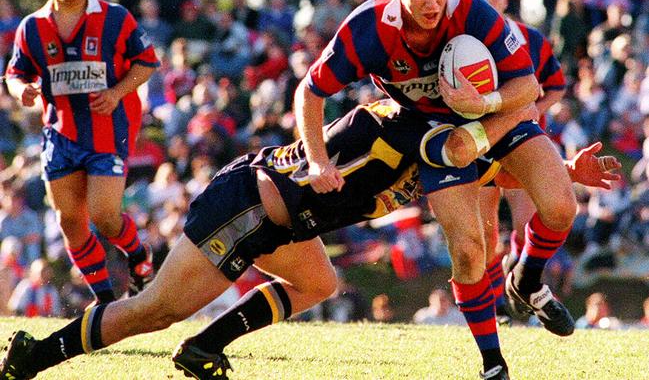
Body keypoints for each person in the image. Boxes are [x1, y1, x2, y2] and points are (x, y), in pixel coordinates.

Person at [0, 99, 619, 380]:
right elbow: (472, 164)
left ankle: (202, 351)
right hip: (250, 204)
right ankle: (36, 356)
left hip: (287, 221)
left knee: (320, 282)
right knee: (154, 310)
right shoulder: (405, 130)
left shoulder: (445, 145)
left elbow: (488, 169)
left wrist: (563, 174)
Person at [293, 0, 571, 379]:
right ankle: (493, 363)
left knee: (561, 206)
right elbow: (310, 91)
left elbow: (529, 88)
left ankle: (528, 278)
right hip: (433, 133)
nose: (432, 1)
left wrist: (481, 105)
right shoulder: (371, 26)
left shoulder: (473, 11)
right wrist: (317, 159)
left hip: (497, 115)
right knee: (467, 250)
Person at [4, 0, 159, 304]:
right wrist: (22, 91)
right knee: (69, 222)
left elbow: (147, 62)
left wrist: (118, 92)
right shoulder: (32, 27)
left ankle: (138, 256)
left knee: (105, 217)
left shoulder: (116, 18)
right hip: (59, 135)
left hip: (107, 130)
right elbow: (14, 75)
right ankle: (105, 301)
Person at [466, 0, 567, 323]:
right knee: (484, 233)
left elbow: (556, 85)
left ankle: (518, 282)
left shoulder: (530, 38)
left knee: (527, 226)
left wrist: (533, 109)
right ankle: (498, 305)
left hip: (523, 145)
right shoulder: (461, 42)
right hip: (479, 145)